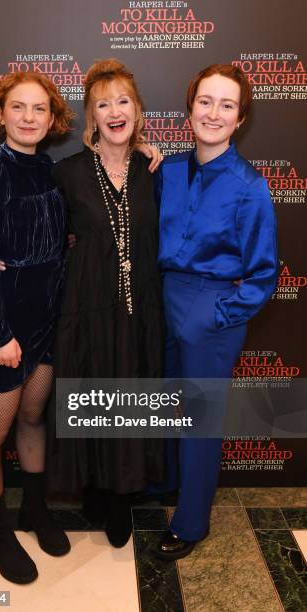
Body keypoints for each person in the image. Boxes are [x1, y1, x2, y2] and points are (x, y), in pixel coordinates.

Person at [156, 64, 278, 560]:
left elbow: (264, 274)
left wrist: (217, 314)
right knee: (162, 404)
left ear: (240, 117)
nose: (213, 113)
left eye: (226, 105)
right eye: (205, 101)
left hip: (211, 306)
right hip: (161, 297)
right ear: (189, 110)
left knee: (199, 420)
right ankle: (165, 485)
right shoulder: (164, 172)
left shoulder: (250, 186)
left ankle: (190, 524)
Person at [45, 59, 166, 548]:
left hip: (140, 312)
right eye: (103, 104)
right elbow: (47, 241)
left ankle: (123, 497)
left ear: (137, 111)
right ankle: (93, 487)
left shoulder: (156, 170)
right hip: (86, 308)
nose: (115, 111)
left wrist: (147, 149)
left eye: (123, 101)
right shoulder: (66, 173)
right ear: (91, 117)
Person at [0, 72, 74, 584]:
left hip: (44, 328)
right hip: (1, 331)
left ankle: (34, 509)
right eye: (18, 107)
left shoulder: (51, 171)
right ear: (0, 113)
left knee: (33, 420)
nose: (29, 117)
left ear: (52, 119)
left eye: (39, 109)